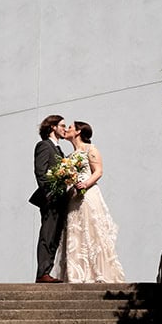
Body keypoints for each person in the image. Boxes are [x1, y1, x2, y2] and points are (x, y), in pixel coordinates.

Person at [52, 121, 125, 283]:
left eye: (70, 127)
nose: (67, 130)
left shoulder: (90, 149)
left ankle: (97, 272)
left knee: (91, 230)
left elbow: (98, 171)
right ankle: (76, 274)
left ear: (78, 132)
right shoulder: (69, 156)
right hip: (73, 197)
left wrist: (85, 184)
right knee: (74, 231)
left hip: (88, 194)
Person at [29, 114, 67, 283]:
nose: (65, 129)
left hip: (61, 199)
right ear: (53, 127)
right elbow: (40, 172)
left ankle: (47, 271)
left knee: (55, 236)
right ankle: (42, 273)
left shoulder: (59, 149)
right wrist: (49, 194)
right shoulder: (44, 146)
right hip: (50, 199)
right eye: (62, 126)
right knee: (47, 234)